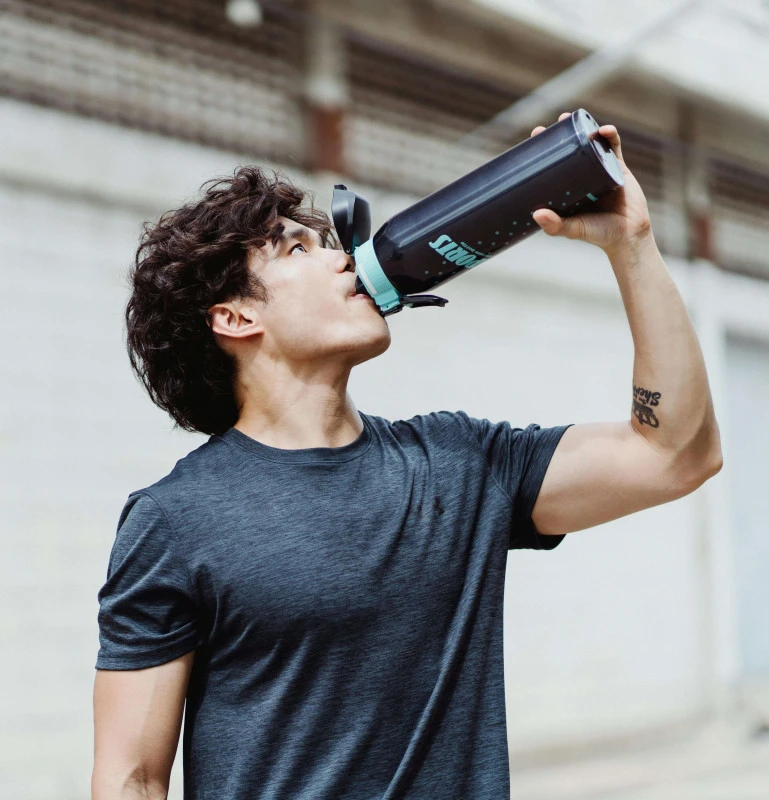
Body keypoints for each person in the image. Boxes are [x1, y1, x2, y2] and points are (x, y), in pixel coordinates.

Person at [91, 114, 722, 800]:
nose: (342, 258)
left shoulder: (459, 463)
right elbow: (131, 779)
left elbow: (675, 453)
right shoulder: (177, 521)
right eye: (298, 249)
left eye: (328, 242)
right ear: (237, 317)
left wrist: (633, 245)